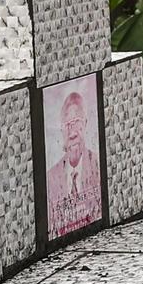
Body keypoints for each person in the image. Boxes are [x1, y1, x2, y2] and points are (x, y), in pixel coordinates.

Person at [46, 90, 102, 238]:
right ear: (61, 130)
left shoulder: (98, 165)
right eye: (67, 125)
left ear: (86, 124)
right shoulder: (51, 177)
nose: (72, 133)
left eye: (77, 122)